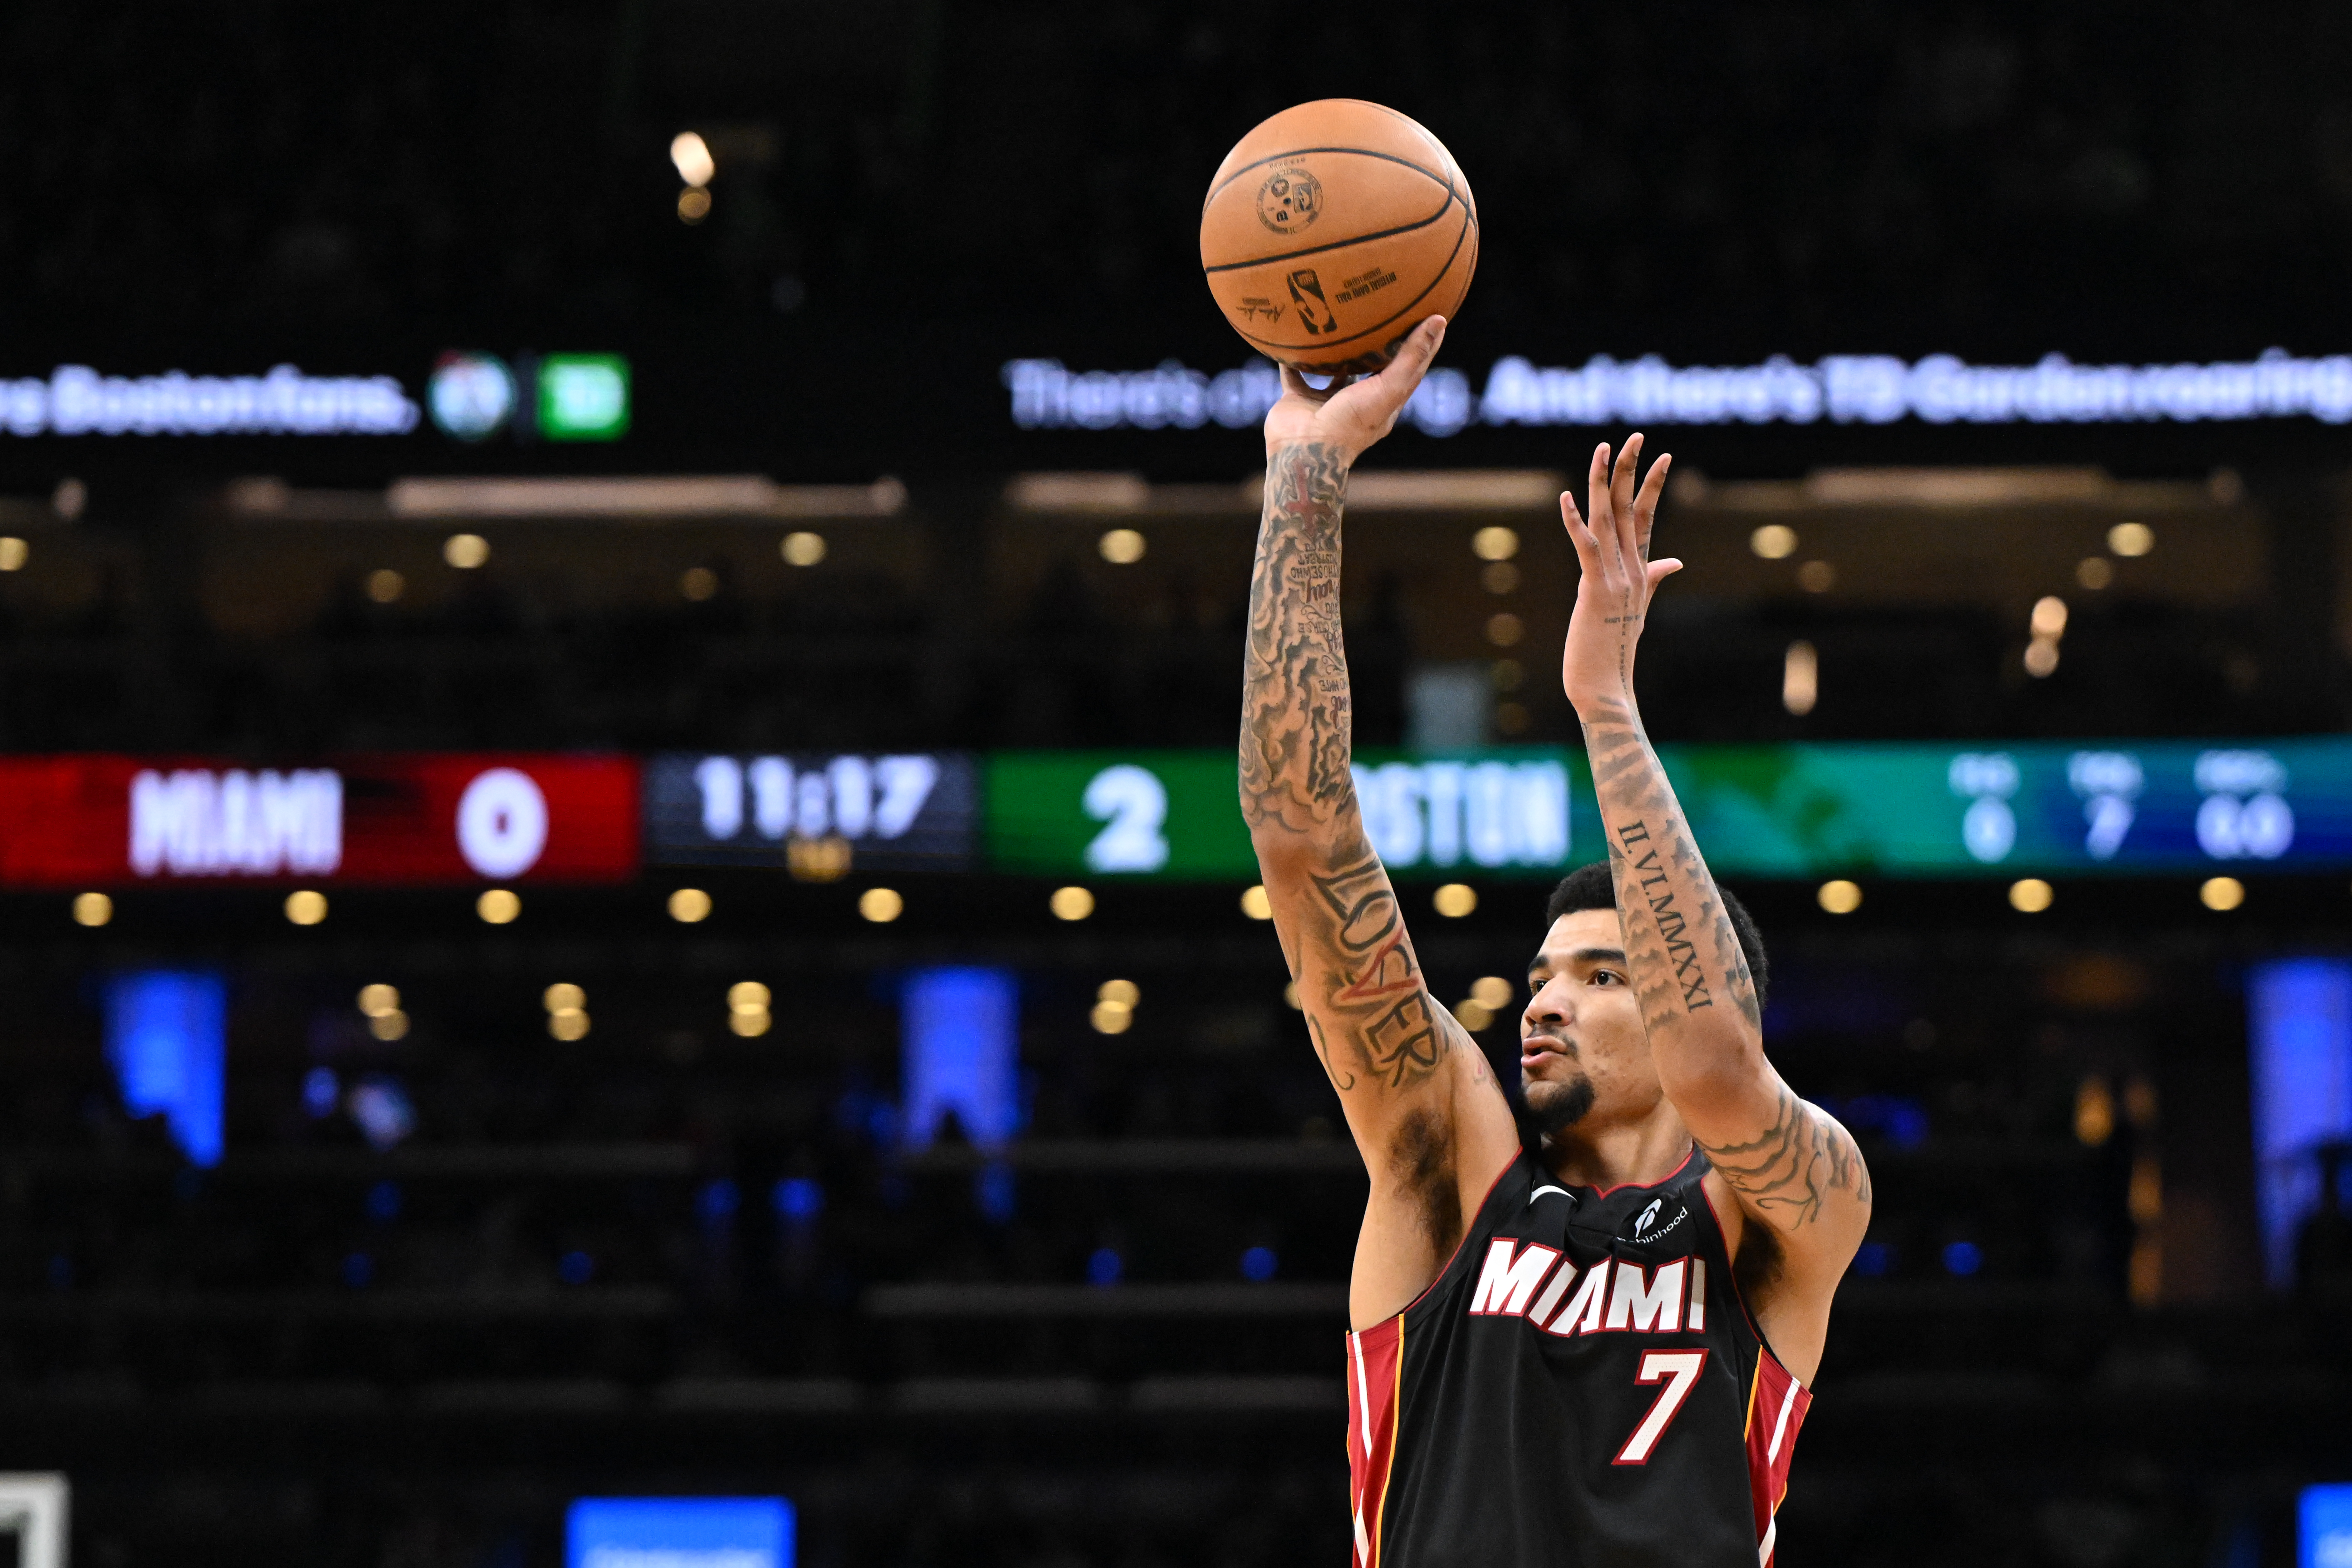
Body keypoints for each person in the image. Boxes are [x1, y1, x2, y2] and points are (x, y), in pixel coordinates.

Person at [1240, 316, 1870, 1567]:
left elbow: (1716, 1069)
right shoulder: (1454, 1170)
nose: (1541, 1002)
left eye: (1599, 974)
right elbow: (1302, 836)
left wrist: (1606, 707)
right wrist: (1304, 476)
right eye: (1538, 976)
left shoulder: (1787, 1207)